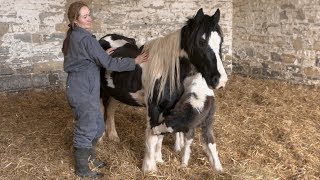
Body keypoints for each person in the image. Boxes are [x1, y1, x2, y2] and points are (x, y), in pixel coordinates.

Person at [62, 1, 148, 178]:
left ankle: (90, 158)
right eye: (84, 16)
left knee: (99, 126)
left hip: (85, 85)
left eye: (89, 14)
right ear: (75, 20)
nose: (89, 19)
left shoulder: (75, 36)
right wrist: (135, 61)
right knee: (86, 128)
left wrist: (100, 55)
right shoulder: (85, 38)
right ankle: (82, 170)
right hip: (82, 87)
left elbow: (86, 57)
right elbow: (109, 64)